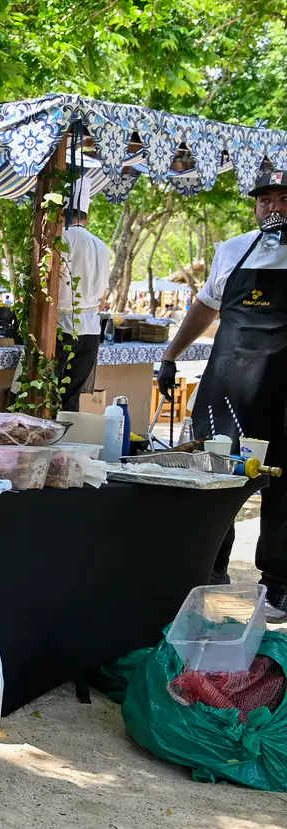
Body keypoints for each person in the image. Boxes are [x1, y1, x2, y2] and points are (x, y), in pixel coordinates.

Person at [160, 168, 287, 618]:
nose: (274, 208)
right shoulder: (232, 250)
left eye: (284, 199)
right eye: (265, 200)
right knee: (216, 477)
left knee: (281, 488)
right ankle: (209, 570)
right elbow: (205, 306)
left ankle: (278, 584)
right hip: (228, 383)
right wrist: (170, 355)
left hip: (282, 389)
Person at [58, 180, 111, 412]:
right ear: (86, 218)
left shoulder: (63, 238)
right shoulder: (102, 246)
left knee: (48, 394)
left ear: (62, 215)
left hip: (64, 327)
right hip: (91, 330)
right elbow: (103, 298)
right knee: (71, 397)